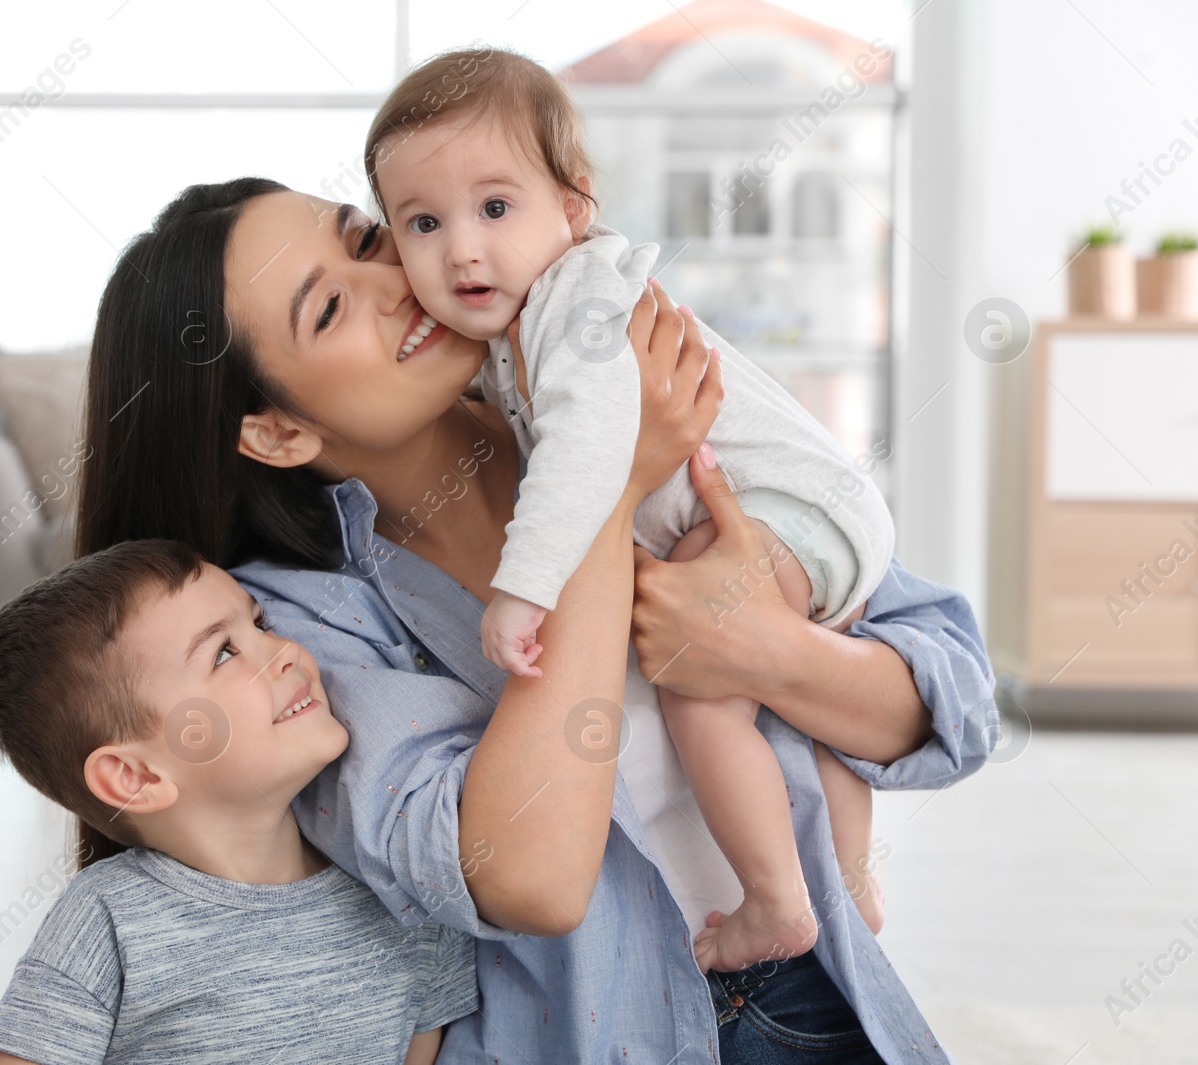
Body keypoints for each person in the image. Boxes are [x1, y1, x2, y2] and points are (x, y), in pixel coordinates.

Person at [72, 172, 994, 1062]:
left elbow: (950, 703)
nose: (398, 280)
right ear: (277, 431)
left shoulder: (616, 376)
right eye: (329, 308)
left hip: (816, 989)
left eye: (367, 238)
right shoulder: (296, 628)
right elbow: (528, 876)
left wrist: (775, 654)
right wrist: (607, 473)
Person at [365, 47, 892, 972]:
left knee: (702, 687)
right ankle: (847, 882)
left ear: (573, 209)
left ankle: (775, 901)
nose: (462, 248)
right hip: (814, 517)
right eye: (421, 222)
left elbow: (587, 452)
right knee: (795, 695)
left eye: (495, 207)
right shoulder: (514, 328)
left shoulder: (578, 301)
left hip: (789, 507)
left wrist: (525, 588)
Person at [0, 539, 478, 1064]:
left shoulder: (399, 887)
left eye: (260, 625)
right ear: (134, 776)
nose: (286, 652)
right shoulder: (108, 920)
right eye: (225, 653)